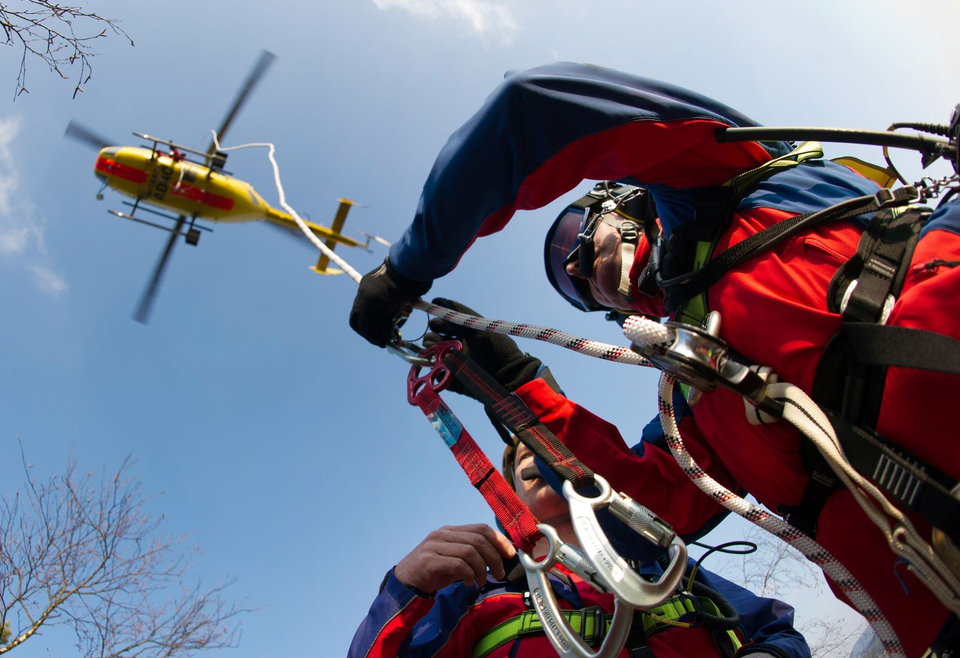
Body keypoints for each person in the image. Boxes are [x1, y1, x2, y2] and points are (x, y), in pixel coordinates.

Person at [347, 61, 960, 654]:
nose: (577, 268)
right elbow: (647, 505)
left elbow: (534, 108)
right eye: (574, 289)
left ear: (627, 201)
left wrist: (409, 267)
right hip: (936, 604)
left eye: (576, 239)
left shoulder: (729, 179)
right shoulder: (693, 398)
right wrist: (510, 383)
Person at [347, 436, 810, 658]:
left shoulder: (662, 565)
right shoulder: (475, 590)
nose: (531, 458)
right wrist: (402, 588)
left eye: (540, 451)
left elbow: (776, 632)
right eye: (521, 461)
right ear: (509, 494)